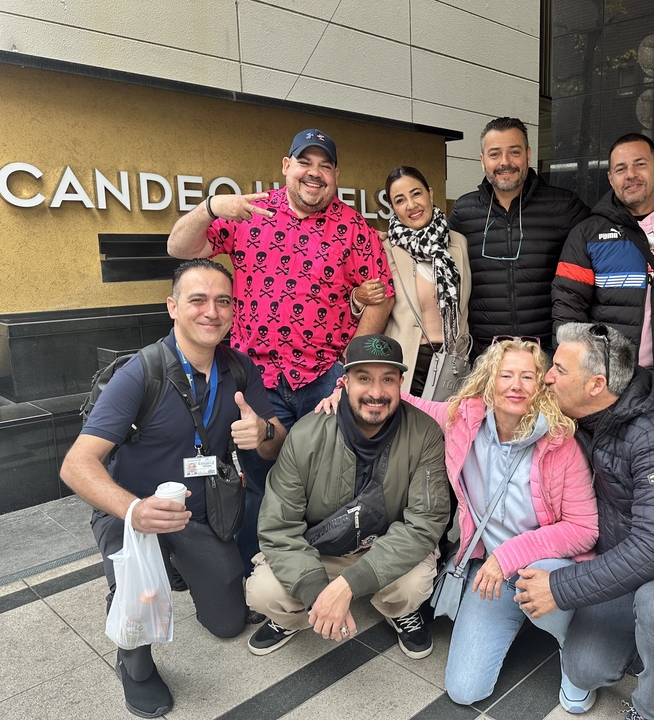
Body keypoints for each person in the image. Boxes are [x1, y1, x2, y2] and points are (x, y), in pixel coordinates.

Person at [60, 259, 286, 719]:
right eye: (197, 300)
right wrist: (134, 510)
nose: (212, 311)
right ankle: (133, 663)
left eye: (223, 301)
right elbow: (76, 465)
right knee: (139, 598)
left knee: (227, 623)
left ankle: (179, 564)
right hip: (134, 516)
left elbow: (275, 440)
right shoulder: (140, 372)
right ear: (173, 307)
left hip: (199, 515)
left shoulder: (239, 367)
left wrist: (264, 432)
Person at [167, 128, 395, 576]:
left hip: (325, 377)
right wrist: (211, 207)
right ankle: (257, 576)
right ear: (287, 166)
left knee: (330, 481)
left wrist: (349, 370)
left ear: (335, 175)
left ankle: (319, 572)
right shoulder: (251, 212)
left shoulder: (354, 228)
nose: (315, 173)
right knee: (259, 481)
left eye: (325, 165)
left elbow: (381, 297)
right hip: (255, 378)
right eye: (305, 162)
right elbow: (179, 247)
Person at [515, 322, 654, 720]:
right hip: (630, 567)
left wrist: (560, 586)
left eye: (559, 370)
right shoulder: (580, 416)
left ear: (596, 384)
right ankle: (653, 643)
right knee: (584, 669)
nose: (547, 377)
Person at [402, 337, 598, 711]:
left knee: (539, 578)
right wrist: (350, 390)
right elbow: (414, 406)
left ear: (541, 384)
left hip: (546, 567)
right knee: (464, 690)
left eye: (527, 376)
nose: (515, 386)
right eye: (506, 375)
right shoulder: (464, 420)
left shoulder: (560, 443)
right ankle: (519, 616)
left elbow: (584, 529)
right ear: (489, 380)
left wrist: (508, 556)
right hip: (492, 571)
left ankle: (572, 644)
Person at [245, 334, 450, 660]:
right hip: (322, 548)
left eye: (388, 379)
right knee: (263, 592)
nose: (376, 392)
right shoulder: (306, 433)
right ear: (345, 381)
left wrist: (348, 585)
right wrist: (318, 595)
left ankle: (398, 611)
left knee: (414, 584)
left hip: (386, 547)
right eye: (364, 378)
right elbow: (278, 526)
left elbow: (425, 524)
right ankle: (297, 617)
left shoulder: (424, 433)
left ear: (401, 383)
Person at [552, 133, 654, 393]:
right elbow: (568, 309)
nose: (631, 175)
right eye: (621, 169)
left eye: (640, 164)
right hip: (609, 381)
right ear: (611, 178)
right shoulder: (587, 235)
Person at [449, 117, 589, 352]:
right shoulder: (464, 212)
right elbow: (429, 250)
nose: (505, 162)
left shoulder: (563, 206)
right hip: (486, 354)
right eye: (495, 154)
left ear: (528, 155)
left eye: (514, 152)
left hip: (547, 352)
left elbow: (603, 239)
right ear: (482, 161)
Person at [381, 165, 471, 394]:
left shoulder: (458, 242)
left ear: (430, 194)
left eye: (416, 194)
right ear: (392, 208)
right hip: (407, 364)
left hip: (453, 362)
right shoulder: (386, 249)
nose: (411, 205)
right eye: (400, 200)